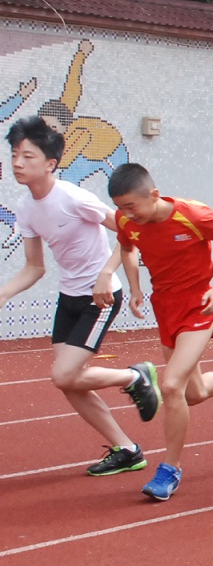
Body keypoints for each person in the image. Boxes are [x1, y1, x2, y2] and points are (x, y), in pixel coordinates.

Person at [0, 117, 161, 476]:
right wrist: (4, 294)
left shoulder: (73, 198)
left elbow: (130, 230)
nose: (17, 163)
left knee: (64, 375)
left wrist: (107, 274)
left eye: (27, 156)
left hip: (100, 298)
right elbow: (34, 267)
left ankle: (134, 377)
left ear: (50, 163)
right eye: (14, 155)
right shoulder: (26, 209)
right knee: (69, 383)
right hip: (69, 298)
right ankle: (128, 449)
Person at [107, 164, 213, 501]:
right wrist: (135, 288)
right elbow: (127, 248)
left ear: (153, 195)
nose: (125, 215)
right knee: (192, 393)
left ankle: (170, 468)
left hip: (199, 305)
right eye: (120, 207)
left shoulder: (192, 215)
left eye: (131, 206)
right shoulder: (126, 221)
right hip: (164, 307)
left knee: (171, 385)